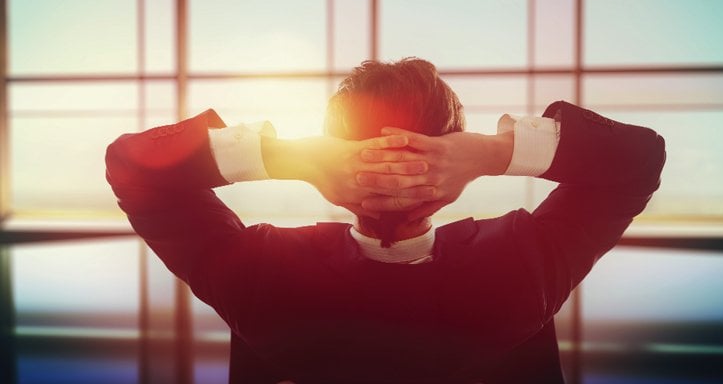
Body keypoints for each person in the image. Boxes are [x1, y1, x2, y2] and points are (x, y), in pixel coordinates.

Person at [106, 58, 665, 383]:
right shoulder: (522, 266)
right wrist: (492, 153)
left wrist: (292, 157)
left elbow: (133, 169)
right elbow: (639, 161)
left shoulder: (261, 274)